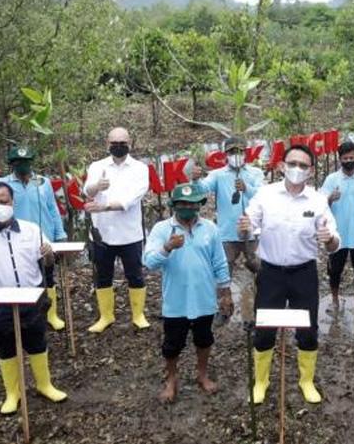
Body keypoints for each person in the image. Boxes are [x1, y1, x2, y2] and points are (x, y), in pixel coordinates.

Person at [237, 145, 340, 404]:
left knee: (308, 329)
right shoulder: (266, 194)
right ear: (282, 165)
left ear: (311, 171)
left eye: (303, 166)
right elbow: (248, 227)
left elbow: (334, 241)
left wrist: (329, 240)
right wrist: (244, 228)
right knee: (265, 328)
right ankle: (261, 381)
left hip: (304, 274)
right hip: (270, 272)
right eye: (292, 163)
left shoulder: (318, 201)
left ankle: (306, 381)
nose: (297, 169)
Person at [0, 181, 67, 414]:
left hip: (32, 297)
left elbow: (49, 262)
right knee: (6, 345)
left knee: (37, 341)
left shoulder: (31, 229)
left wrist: (49, 255)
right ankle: (13, 393)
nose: (0, 206)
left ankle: (44, 384)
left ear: (13, 202)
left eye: (4, 201)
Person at [143, 183, 232, 402]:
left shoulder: (210, 228)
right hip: (176, 300)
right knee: (172, 344)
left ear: (199, 205)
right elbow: (148, 262)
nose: (187, 208)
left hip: (204, 298)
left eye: (192, 204)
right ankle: (171, 379)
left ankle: (202, 375)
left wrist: (225, 290)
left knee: (204, 339)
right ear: (173, 205)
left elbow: (219, 261)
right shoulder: (162, 229)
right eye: (182, 204)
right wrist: (167, 248)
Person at [0, 145, 68, 331]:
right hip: (14, 240)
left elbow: (53, 209)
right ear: (12, 165)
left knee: (47, 277)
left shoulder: (43, 182)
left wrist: (60, 235)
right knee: (19, 277)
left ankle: (50, 315)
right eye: (19, 163)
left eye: (27, 162)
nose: (23, 166)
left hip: (42, 238)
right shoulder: (2, 187)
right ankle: (20, 316)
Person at [83, 127, 150, 333]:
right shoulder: (97, 166)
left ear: (130, 143)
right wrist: (97, 187)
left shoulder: (140, 168)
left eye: (123, 142)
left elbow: (133, 197)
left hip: (130, 232)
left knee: (135, 274)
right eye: (114, 143)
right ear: (107, 144)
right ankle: (106, 316)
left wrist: (105, 206)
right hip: (102, 232)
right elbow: (87, 191)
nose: (118, 146)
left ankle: (138, 314)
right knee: (103, 275)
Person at [191, 136, 264, 275]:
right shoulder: (217, 175)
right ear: (226, 155)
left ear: (245, 153)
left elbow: (263, 196)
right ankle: (225, 295)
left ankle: (260, 294)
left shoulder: (256, 173)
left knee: (260, 269)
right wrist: (196, 180)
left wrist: (246, 188)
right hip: (227, 233)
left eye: (240, 151)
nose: (236, 155)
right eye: (232, 152)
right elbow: (202, 189)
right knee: (224, 270)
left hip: (253, 231)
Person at [320, 140, 354, 304]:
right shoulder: (331, 180)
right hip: (338, 235)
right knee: (335, 271)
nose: (348, 161)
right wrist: (330, 198)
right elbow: (320, 206)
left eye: (351, 158)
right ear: (340, 159)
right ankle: (335, 300)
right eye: (345, 158)